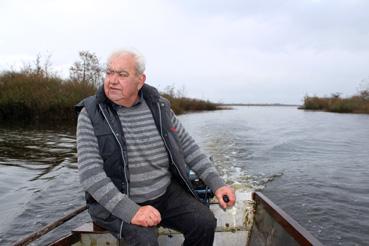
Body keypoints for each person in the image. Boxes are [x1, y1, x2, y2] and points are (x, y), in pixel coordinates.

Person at [76, 49, 236, 246]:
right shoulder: (90, 114)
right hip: (121, 201)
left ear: (140, 80)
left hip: (165, 194)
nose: (112, 80)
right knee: (145, 241)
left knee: (204, 222)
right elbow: (90, 175)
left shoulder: (159, 107)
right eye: (109, 72)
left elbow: (189, 148)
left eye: (122, 74)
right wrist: (132, 211)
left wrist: (217, 183)